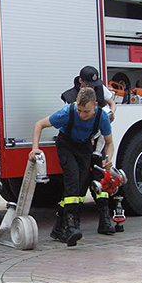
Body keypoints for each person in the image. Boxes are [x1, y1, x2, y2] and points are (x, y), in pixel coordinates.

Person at [29, 87, 114, 246]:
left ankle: (59, 227)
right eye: (80, 110)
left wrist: (108, 159)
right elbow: (39, 124)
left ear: (95, 105)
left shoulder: (102, 116)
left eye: (86, 112)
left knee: (80, 185)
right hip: (66, 145)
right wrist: (35, 148)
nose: (82, 115)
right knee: (72, 179)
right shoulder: (67, 112)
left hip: (85, 147)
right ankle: (70, 226)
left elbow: (109, 143)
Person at [62, 65, 118, 234]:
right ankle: (72, 222)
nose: (93, 87)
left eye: (95, 84)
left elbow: (111, 103)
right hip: (82, 142)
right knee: (78, 182)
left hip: (99, 142)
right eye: (89, 84)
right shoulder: (70, 97)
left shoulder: (99, 90)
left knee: (102, 179)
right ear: (80, 81)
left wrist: (111, 113)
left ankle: (105, 220)